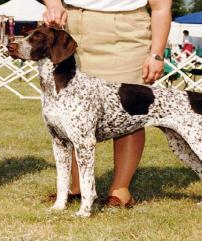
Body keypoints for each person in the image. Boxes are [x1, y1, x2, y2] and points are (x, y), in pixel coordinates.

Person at [43, 0, 172, 206]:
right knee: (73, 112)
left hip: (125, 32)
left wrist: (156, 54)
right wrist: (53, 4)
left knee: (128, 110)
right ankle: (77, 188)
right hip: (70, 23)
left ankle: (120, 191)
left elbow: (161, 7)